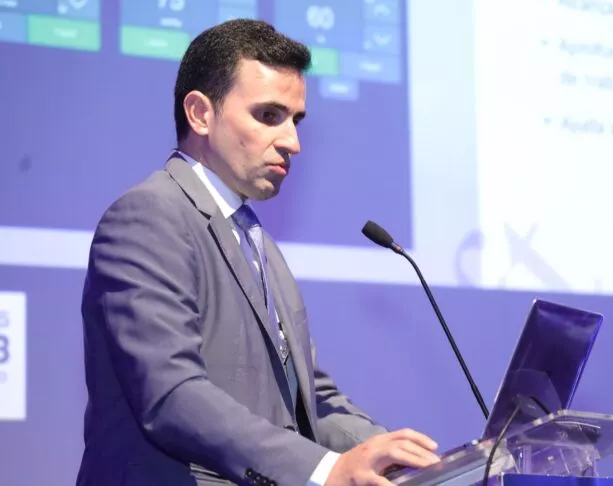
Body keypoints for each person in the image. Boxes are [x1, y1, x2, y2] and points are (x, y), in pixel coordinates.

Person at [76, 18, 439, 486]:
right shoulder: (149, 215)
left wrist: (391, 454)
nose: (292, 142)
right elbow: (172, 394)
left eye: (295, 120)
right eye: (269, 116)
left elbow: (308, 399)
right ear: (200, 114)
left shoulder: (256, 241)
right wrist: (326, 470)